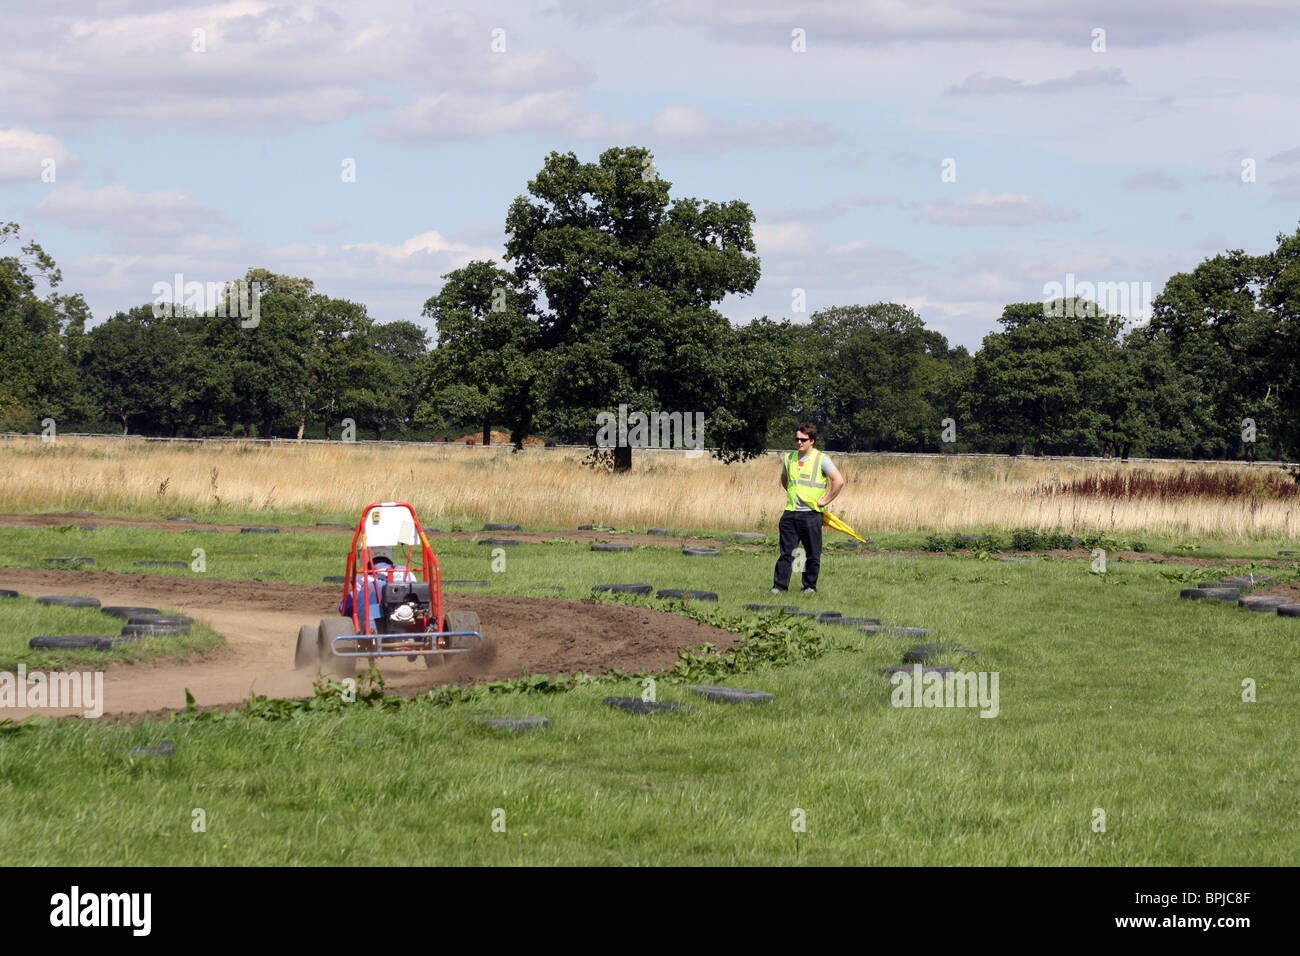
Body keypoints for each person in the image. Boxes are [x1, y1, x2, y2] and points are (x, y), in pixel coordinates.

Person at [772, 423, 844, 594]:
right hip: (790, 513)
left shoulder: (821, 459)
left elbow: (839, 481)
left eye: (803, 439)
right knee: (786, 553)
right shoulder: (790, 459)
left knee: (812, 554)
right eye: (797, 439)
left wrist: (826, 500)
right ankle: (779, 587)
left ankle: (809, 587)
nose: (799, 442)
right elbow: (785, 480)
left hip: (811, 515)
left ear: (812, 440)